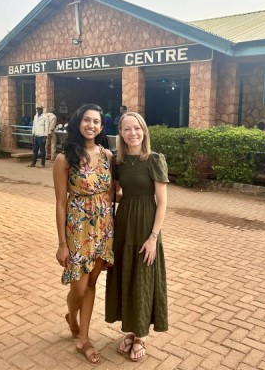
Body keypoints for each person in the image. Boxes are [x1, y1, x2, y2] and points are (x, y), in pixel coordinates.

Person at [105, 111, 169, 362]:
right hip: (124, 224)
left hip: (146, 228)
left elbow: (162, 203)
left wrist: (153, 237)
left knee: (142, 278)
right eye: (127, 129)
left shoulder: (154, 159)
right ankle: (131, 331)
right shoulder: (118, 163)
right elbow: (118, 194)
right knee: (127, 276)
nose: (133, 133)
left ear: (144, 131)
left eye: (137, 128)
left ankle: (141, 335)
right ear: (120, 133)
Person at [53, 104, 114, 365]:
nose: (91, 125)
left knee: (92, 283)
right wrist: (62, 244)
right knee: (78, 286)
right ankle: (71, 315)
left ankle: (85, 338)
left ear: (101, 127)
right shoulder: (64, 158)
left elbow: (112, 194)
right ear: (78, 123)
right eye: (87, 120)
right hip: (77, 229)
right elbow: (59, 202)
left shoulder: (108, 155)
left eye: (96, 122)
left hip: (103, 228)